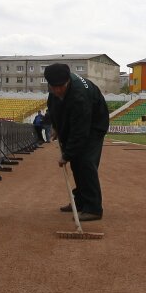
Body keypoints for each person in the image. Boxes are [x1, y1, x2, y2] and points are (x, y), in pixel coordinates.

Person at [45, 63, 109, 221]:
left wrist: (66, 155)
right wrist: (56, 127)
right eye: (54, 87)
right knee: (76, 163)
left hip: (94, 124)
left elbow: (80, 132)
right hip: (75, 121)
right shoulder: (54, 89)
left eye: (61, 87)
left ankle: (93, 208)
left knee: (86, 162)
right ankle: (80, 201)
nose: (57, 90)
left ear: (68, 81)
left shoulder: (79, 95)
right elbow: (53, 107)